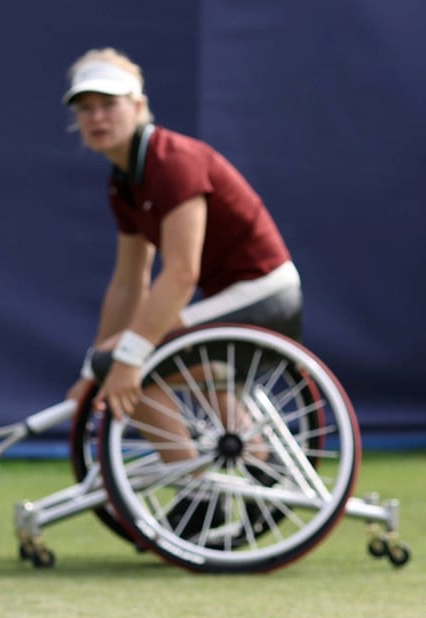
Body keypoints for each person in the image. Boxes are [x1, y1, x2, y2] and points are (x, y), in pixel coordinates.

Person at [60, 48, 303, 528]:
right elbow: (129, 284)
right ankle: (262, 470)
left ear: (139, 105)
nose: (97, 117)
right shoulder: (124, 181)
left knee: (130, 363)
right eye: (85, 108)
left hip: (263, 297)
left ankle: (200, 493)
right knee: (118, 362)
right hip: (236, 302)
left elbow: (181, 273)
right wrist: (96, 366)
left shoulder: (173, 162)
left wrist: (123, 359)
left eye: (109, 103)